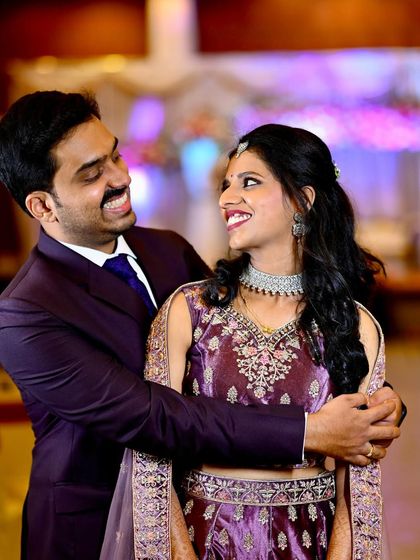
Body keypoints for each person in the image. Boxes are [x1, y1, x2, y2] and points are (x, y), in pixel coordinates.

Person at [0, 92, 401, 560]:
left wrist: (371, 400)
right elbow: (153, 416)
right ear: (43, 206)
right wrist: (310, 432)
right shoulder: (25, 313)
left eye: (114, 156)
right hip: (91, 527)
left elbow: (247, 344)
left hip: (206, 518)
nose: (121, 177)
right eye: (92, 174)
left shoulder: (167, 250)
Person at [102, 124, 399, 560]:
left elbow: (357, 490)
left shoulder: (352, 324)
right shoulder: (190, 310)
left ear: (303, 200)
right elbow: (152, 458)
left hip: (307, 544)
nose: (227, 198)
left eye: (250, 182)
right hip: (205, 539)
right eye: (226, 185)